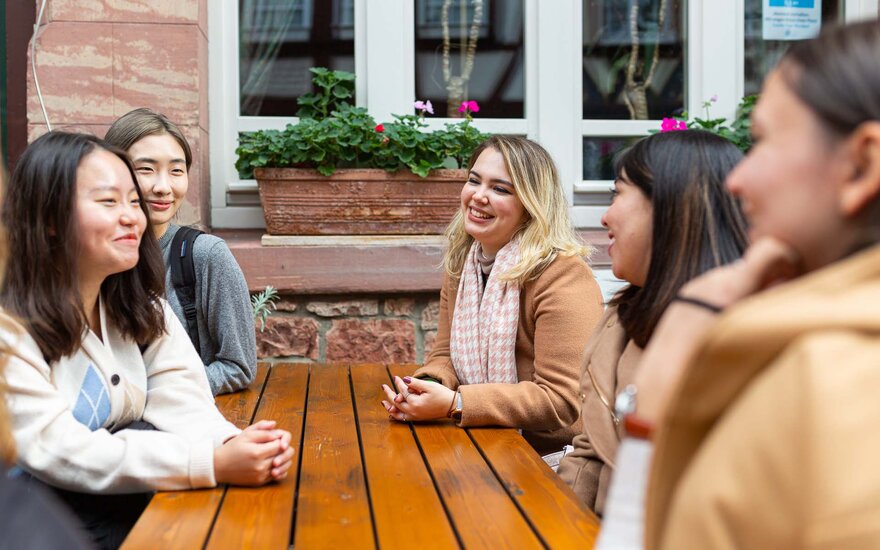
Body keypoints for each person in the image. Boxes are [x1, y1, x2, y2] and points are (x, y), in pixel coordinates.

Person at [618, 20, 880, 548]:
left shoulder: (827, 384)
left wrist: (665, 384)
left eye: (761, 141)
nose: (736, 180)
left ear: (861, 164)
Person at [0, 131, 293, 549]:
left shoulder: (139, 305)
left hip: (129, 510)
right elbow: (60, 449)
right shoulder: (9, 329)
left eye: (133, 202)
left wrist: (232, 443)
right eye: (108, 202)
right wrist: (209, 462)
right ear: (48, 219)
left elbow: (183, 395)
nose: (132, 217)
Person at [555, 130, 748, 515]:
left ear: (672, 206)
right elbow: (590, 452)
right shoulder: (623, 313)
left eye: (617, 193)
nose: (604, 215)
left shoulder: (739, 340)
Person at [380, 135, 605, 455]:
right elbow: (445, 356)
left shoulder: (563, 276)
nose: (478, 196)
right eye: (474, 181)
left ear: (531, 205)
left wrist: (457, 404)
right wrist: (426, 386)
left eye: (500, 189)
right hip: (482, 440)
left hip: (555, 457)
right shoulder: (463, 265)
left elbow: (561, 401)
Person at [105, 108, 256, 395]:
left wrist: (150, 394)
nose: (163, 187)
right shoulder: (95, 258)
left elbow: (238, 367)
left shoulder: (206, 256)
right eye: (146, 169)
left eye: (176, 171)